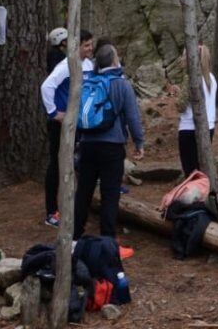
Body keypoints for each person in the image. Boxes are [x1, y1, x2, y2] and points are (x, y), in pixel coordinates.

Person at [73, 43, 144, 242]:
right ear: (114, 60)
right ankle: (107, 241)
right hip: (112, 147)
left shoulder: (87, 81)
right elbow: (133, 117)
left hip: (87, 145)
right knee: (110, 194)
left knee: (84, 191)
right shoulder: (121, 84)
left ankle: (74, 236)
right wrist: (139, 143)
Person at [40, 30, 95, 227]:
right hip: (61, 124)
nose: (90, 48)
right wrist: (54, 113)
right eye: (86, 45)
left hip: (80, 123)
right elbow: (47, 86)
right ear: (76, 46)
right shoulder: (65, 65)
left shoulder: (88, 64)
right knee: (57, 164)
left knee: (79, 162)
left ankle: (77, 206)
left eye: (91, 44)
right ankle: (51, 211)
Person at [176, 44, 217, 177]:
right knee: (201, 168)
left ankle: (195, 197)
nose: (181, 60)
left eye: (183, 56)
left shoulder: (190, 79)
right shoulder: (211, 78)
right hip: (209, 127)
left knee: (191, 171)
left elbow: (181, 106)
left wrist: (179, 94)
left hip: (189, 129)